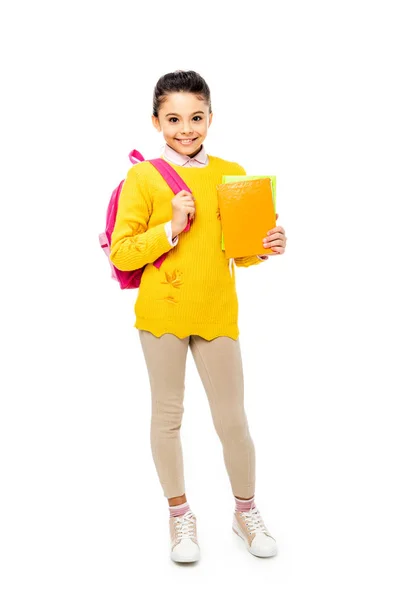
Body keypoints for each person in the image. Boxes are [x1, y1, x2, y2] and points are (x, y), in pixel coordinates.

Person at [109, 70, 287, 563]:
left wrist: (268, 245)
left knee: (233, 420)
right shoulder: (143, 177)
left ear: (210, 117)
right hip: (162, 313)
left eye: (196, 117)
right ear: (155, 121)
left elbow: (241, 249)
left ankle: (244, 512)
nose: (185, 129)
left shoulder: (231, 171)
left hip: (216, 310)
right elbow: (123, 253)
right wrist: (171, 226)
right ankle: (180, 516)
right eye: (173, 119)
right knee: (168, 417)